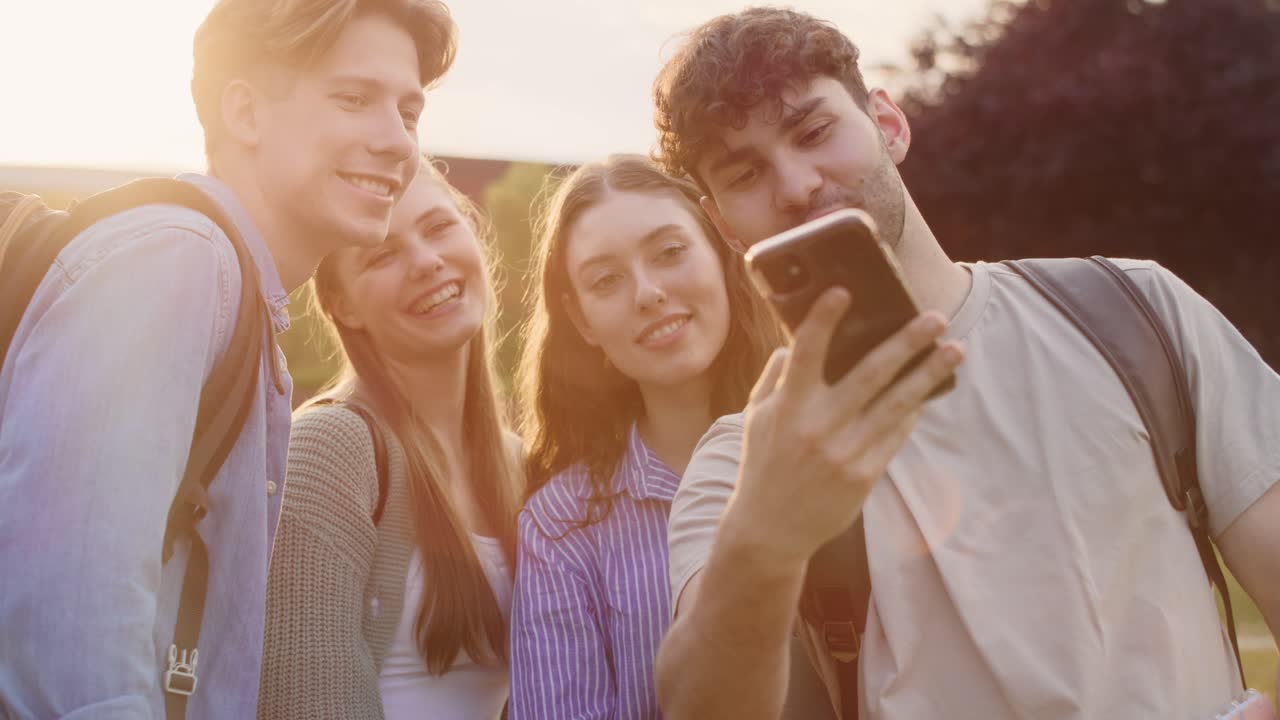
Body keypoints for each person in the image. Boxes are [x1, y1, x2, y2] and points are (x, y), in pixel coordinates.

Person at [650, 7, 1280, 719]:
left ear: (888, 123)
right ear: (725, 225)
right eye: (745, 173)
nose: (795, 184)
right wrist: (765, 534)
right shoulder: (740, 463)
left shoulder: (1136, 312)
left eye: (814, 131)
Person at [0, 1, 456, 717]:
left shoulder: (234, 298)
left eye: (409, 111)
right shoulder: (181, 260)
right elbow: (71, 645)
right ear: (244, 112)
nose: (399, 141)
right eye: (354, 98)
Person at [506, 154, 781, 719]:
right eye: (606, 280)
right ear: (582, 320)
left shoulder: (835, 435)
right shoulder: (560, 526)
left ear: (722, 252)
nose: (648, 293)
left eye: (670, 252)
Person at [258, 159, 521, 720]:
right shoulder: (331, 448)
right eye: (383, 254)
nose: (426, 262)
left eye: (439, 227)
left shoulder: (520, 463)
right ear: (342, 305)